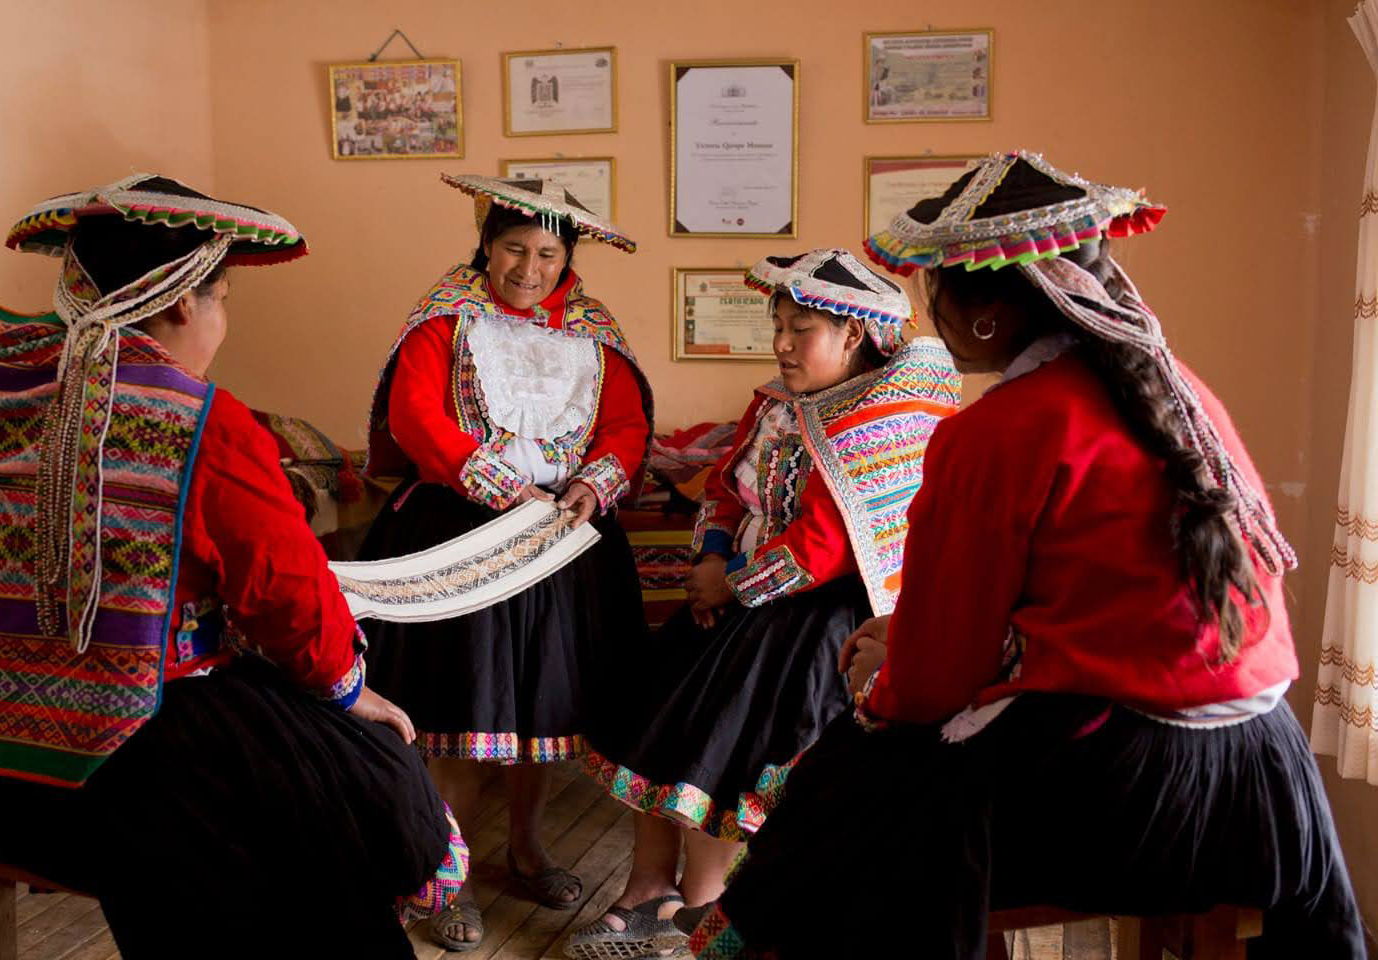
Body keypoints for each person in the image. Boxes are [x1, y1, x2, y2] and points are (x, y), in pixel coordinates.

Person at [681, 151, 1368, 959]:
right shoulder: (1176, 389)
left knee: (844, 793)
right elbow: (1117, 603)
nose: (931, 311)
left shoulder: (997, 431)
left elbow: (931, 686)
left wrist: (890, 668)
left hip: (1133, 791)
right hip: (1265, 774)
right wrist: (913, 638)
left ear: (985, 313)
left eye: (938, 290)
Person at [0, 175, 467, 959]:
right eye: (222, 299)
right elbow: (286, 594)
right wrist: (348, 689)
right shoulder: (199, 419)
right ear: (183, 305)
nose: (221, 321)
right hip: (107, 771)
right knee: (364, 784)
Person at [567, 250, 960, 960]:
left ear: (853, 334)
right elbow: (725, 486)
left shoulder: (884, 418)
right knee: (659, 722)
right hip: (736, 599)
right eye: (777, 326)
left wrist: (733, 585)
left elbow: (823, 546)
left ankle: (701, 915)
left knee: (723, 751)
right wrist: (710, 557)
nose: (780, 343)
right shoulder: (775, 404)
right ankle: (647, 888)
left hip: (811, 619)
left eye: (799, 330)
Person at [362, 174, 653, 951]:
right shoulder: (444, 319)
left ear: (568, 258)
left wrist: (595, 482)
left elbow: (625, 425)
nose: (530, 268)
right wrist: (496, 484)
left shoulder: (594, 331)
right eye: (515, 249)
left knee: (538, 715)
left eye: (548, 254)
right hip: (460, 530)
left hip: (561, 539)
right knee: (462, 713)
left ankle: (527, 849)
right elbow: (415, 416)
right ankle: (443, 873)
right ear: (487, 246)